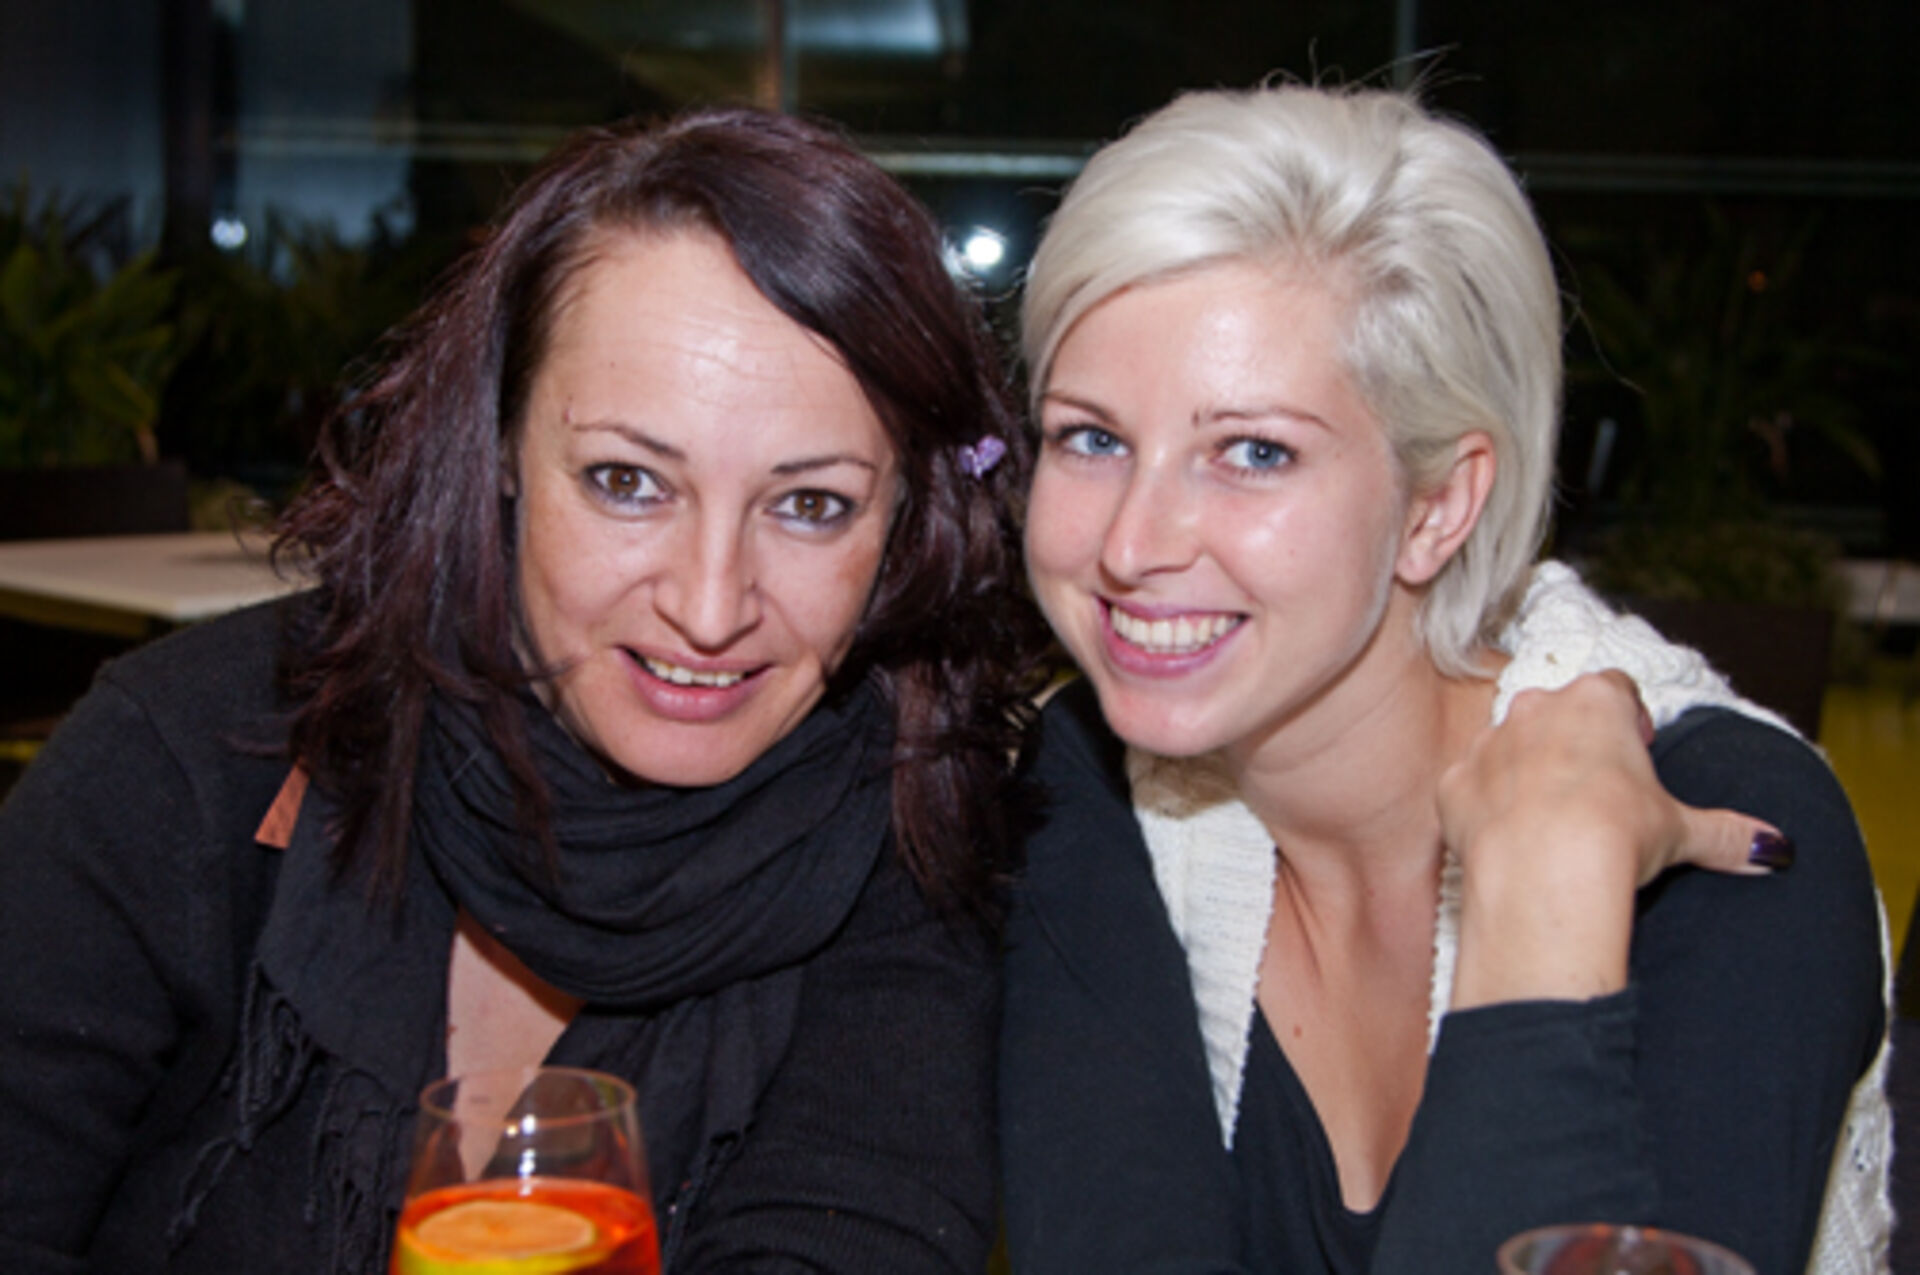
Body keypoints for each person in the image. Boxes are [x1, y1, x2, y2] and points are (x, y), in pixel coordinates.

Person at [0, 107, 1046, 1274]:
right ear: (497, 445)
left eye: (810, 505)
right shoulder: (190, 761)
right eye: (627, 481)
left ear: (904, 523)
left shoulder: (910, 848)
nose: (710, 606)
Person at [998, 84, 1889, 1275]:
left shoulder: (1718, 828)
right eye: (1092, 438)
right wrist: (1525, 925)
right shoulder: (1092, 778)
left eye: (1253, 452)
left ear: (1438, 506)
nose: (1130, 544)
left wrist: (1542, 928)